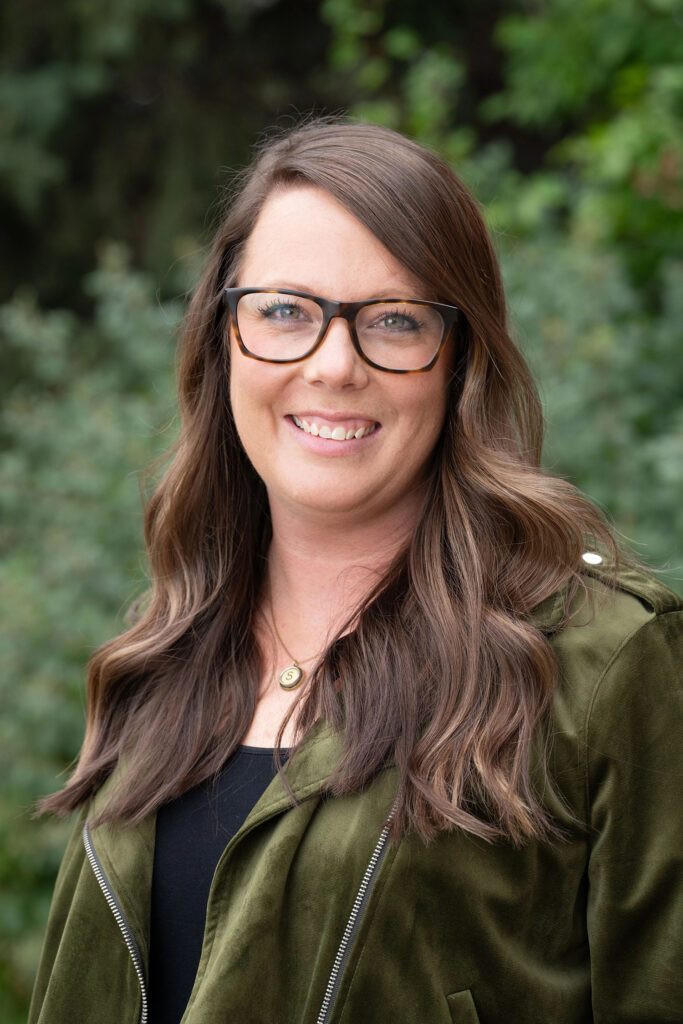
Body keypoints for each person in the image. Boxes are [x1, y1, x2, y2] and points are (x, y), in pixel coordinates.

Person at [29, 117, 682, 1024]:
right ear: (223, 337)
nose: (334, 365)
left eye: (394, 321)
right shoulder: (162, 657)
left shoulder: (599, 661)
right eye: (286, 311)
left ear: (457, 363)